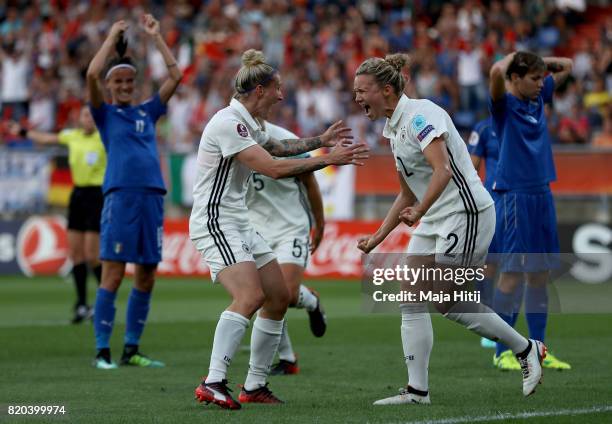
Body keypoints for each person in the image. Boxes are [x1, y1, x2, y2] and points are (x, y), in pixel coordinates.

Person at [354, 54, 545, 405]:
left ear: (386, 89)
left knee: (448, 301)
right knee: (410, 296)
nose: (357, 98)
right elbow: (407, 193)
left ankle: (526, 348)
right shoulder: (394, 128)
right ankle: (417, 392)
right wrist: (378, 238)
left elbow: (442, 170)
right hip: (437, 217)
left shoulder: (421, 115)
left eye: (362, 91)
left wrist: (420, 210)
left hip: (465, 211)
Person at [190, 49, 369, 410]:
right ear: (259, 90)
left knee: (276, 298)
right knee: (250, 297)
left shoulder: (249, 124)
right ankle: (213, 381)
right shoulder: (228, 122)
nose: (281, 96)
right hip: (216, 221)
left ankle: (255, 385)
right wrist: (329, 159)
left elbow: (282, 147)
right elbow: (272, 166)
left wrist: (319, 141)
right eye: (277, 89)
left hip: (238, 220)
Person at [86, 15, 182, 369]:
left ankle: (131, 349)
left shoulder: (148, 111)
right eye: (119, 81)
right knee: (112, 274)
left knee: (147, 275)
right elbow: (91, 75)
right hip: (121, 198)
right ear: (111, 87)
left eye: (129, 80)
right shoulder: (104, 114)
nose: (125, 86)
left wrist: (156, 38)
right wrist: (112, 36)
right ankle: (101, 351)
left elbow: (176, 77)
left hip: (152, 200)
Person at [489, 51, 572, 371]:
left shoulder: (537, 99)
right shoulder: (503, 105)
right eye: (534, 78)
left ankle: (539, 349)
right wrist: (516, 60)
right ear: (514, 79)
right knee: (511, 275)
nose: (542, 84)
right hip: (514, 195)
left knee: (539, 275)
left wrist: (537, 63)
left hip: (542, 193)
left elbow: (567, 65)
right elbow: (497, 70)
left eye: (542, 78)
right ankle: (502, 351)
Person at [245, 118, 327, 376]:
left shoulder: (285, 138)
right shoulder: (232, 135)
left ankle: (310, 300)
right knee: (264, 296)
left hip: (291, 226)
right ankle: (288, 359)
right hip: (256, 229)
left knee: (287, 295)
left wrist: (320, 223)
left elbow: (310, 182)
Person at [10, 106, 105, 323]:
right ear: (79, 119)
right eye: (84, 115)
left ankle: (103, 302)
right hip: (78, 195)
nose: (88, 119)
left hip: (96, 196)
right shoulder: (72, 136)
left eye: (91, 115)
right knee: (76, 254)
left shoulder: (103, 138)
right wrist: (23, 132)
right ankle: (81, 304)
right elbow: (45, 138)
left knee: (92, 255)